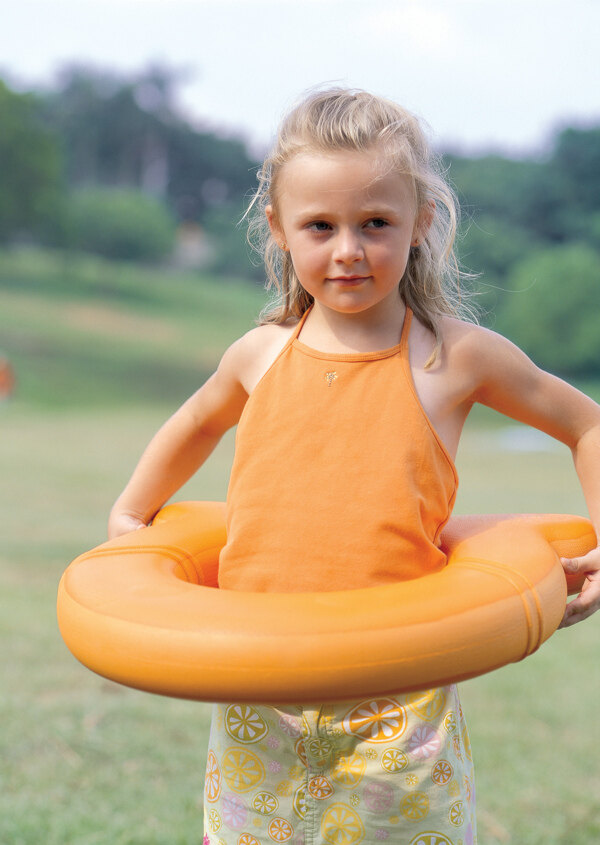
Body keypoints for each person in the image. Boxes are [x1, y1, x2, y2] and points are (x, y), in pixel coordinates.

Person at [108, 88, 600, 845]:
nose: (348, 249)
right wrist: (131, 515)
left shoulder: (453, 356)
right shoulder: (259, 353)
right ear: (277, 230)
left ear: (420, 224)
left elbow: (585, 422)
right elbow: (196, 419)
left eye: (376, 223)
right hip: (259, 693)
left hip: (397, 701)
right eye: (320, 226)